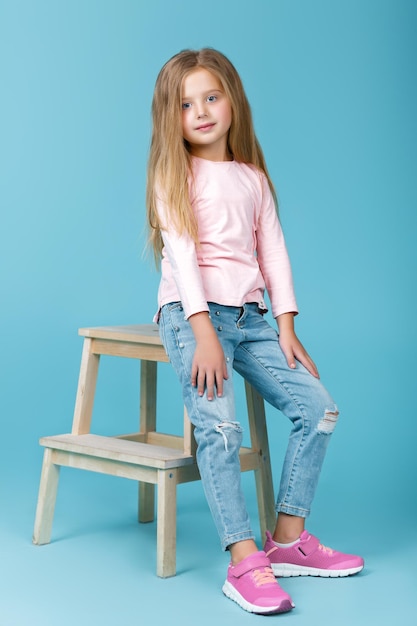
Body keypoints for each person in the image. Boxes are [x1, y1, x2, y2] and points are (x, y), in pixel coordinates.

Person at [146, 48, 364, 615]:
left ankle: (288, 541)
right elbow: (185, 256)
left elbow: (274, 252)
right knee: (219, 431)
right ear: (170, 117)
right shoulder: (173, 175)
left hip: (252, 318)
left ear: (233, 103)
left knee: (318, 410)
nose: (200, 112)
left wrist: (286, 325)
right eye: (185, 104)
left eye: (211, 97)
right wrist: (204, 334)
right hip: (193, 315)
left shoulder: (253, 179)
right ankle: (244, 562)